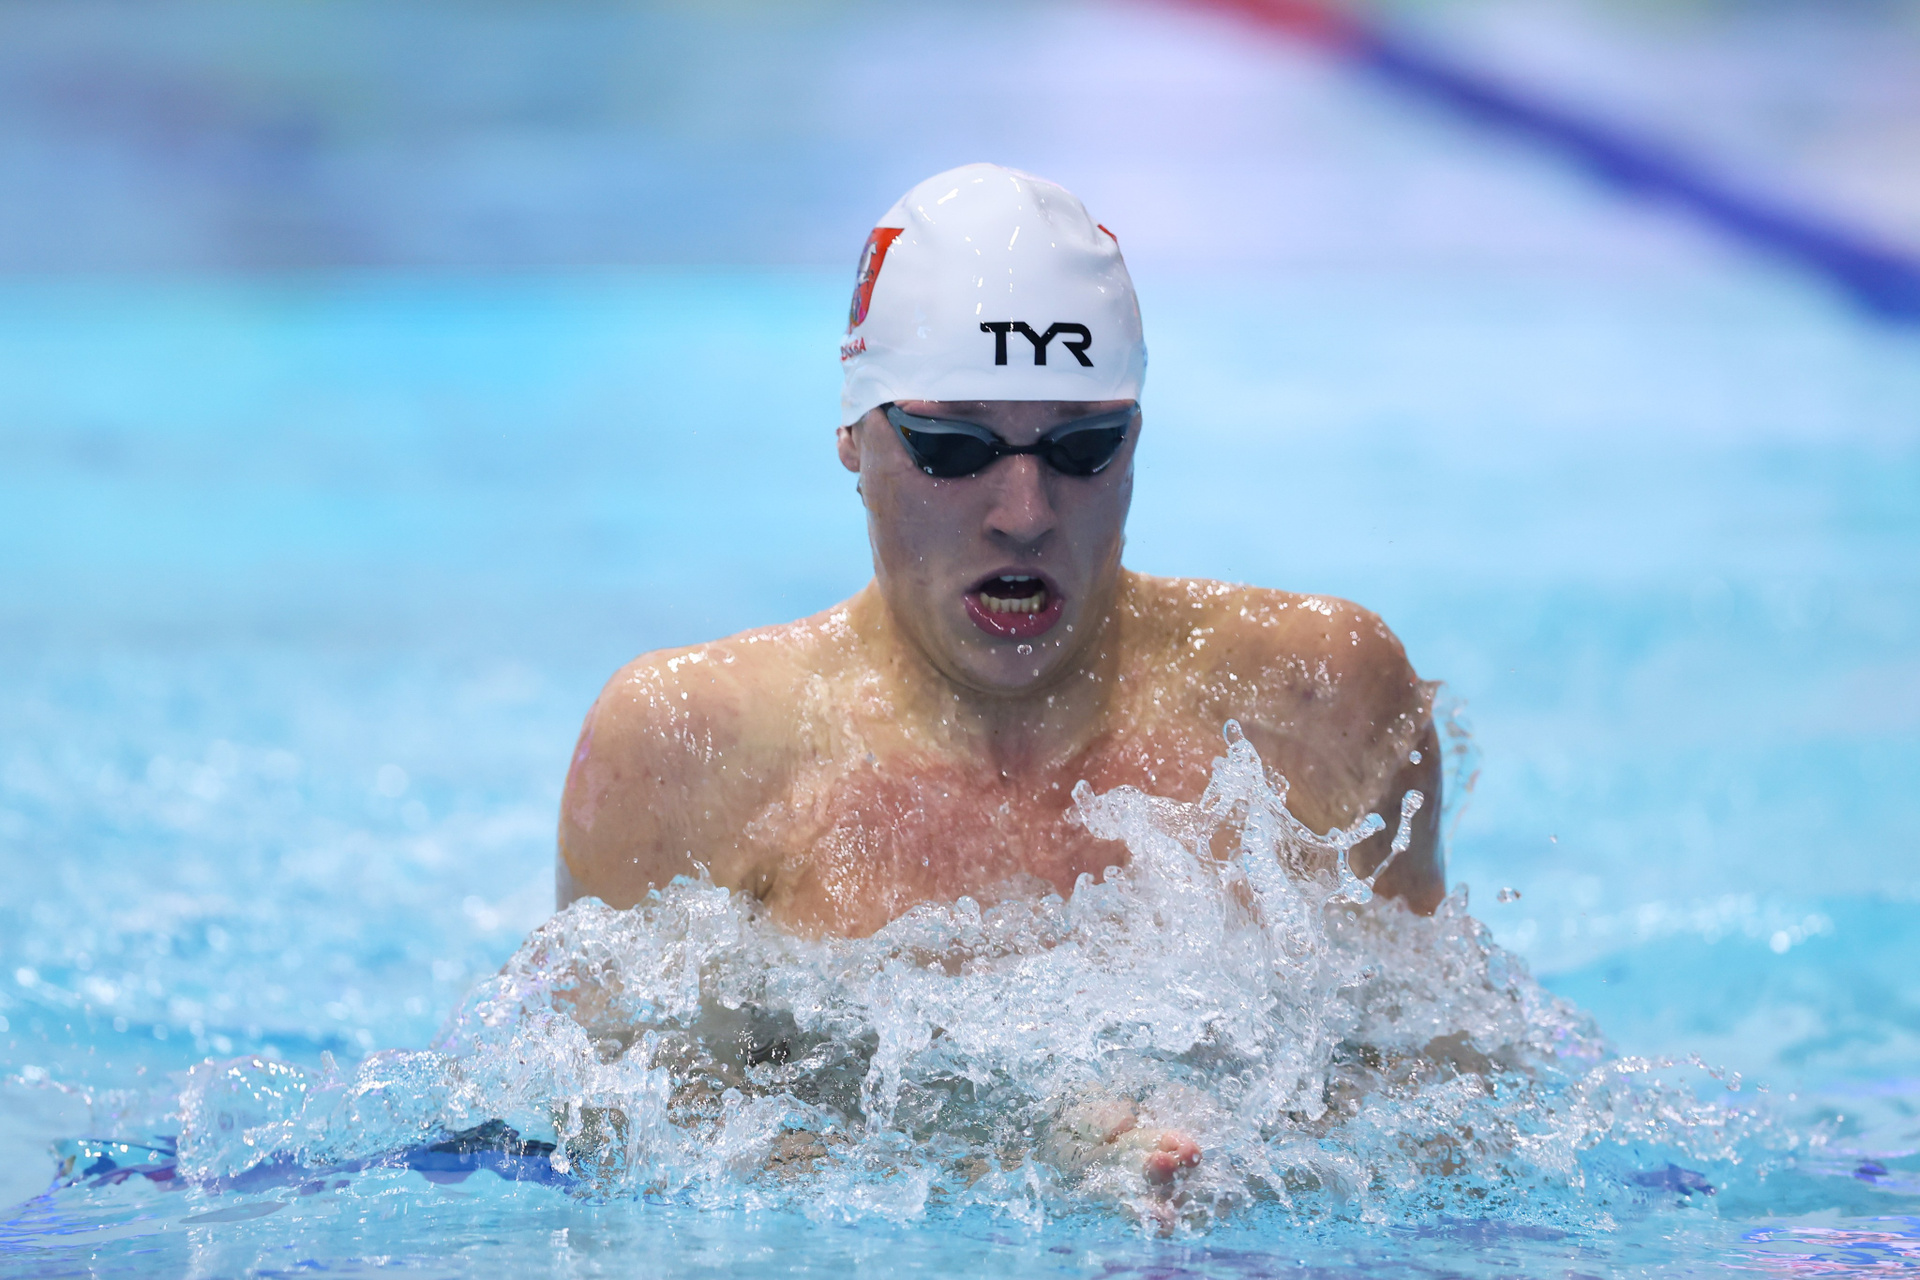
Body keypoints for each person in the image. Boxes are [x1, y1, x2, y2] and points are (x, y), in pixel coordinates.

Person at [555, 163, 1442, 1187]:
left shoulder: (1316, 702)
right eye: (953, 447)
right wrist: (1011, 1162)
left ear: (1136, 440)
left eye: (1082, 446)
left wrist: (1253, 1166)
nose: (1024, 511)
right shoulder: (685, 748)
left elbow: (1443, 1088)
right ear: (853, 438)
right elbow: (626, 1140)